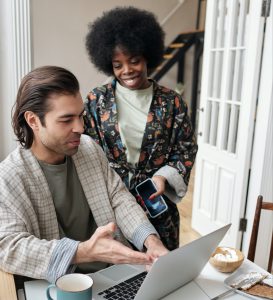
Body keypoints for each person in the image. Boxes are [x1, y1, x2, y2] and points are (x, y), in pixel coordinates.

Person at [0, 66, 168, 284]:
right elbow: (8, 246)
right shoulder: (9, 176)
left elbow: (119, 199)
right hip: (61, 285)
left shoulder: (88, 148)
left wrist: (151, 241)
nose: (80, 127)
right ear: (33, 121)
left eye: (80, 116)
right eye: (66, 119)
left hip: (113, 274)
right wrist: (84, 252)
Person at [84, 7, 198, 250]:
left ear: (147, 55)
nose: (127, 70)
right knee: (117, 274)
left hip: (157, 203)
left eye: (134, 61)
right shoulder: (96, 101)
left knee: (161, 270)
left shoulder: (172, 102)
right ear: (108, 64)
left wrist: (162, 177)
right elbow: (86, 150)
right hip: (112, 204)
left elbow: (185, 149)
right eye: (118, 65)